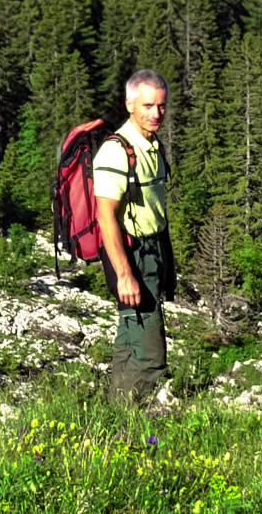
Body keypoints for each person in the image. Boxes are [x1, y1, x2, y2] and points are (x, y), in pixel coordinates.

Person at [94, 69, 175, 402]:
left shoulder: (150, 145)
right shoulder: (118, 151)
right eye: (147, 105)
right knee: (150, 355)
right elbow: (105, 215)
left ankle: (111, 419)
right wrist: (125, 275)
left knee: (130, 337)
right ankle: (127, 425)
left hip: (152, 252)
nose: (155, 113)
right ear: (129, 104)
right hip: (132, 258)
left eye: (161, 106)